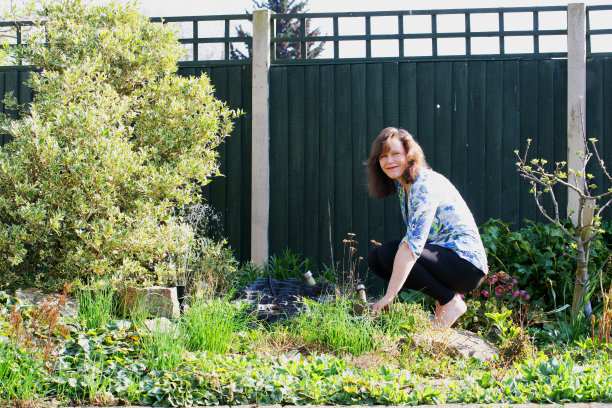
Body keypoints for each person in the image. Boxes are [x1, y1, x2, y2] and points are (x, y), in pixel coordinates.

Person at [365, 127, 488, 329]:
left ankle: (450, 303)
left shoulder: (424, 185)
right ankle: (445, 301)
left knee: (389, 252)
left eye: (395, 154)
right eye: (383, 156)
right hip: (447, 259)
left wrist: (389, 296)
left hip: (466, 264)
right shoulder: (403, 186)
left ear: (409, 155)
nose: (389, 161)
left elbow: (413, 244)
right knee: (377, 257)